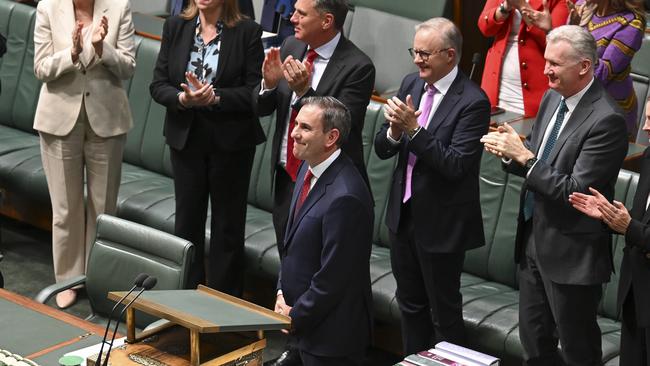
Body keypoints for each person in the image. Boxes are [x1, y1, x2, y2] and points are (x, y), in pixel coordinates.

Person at [481, 25, 628, 365]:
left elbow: (575, 190)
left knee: (578, 351)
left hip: (572, 254)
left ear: (584, 67)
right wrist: (509, 152)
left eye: (554, 64)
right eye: (546, 61)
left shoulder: (607, 121)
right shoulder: (552, 98)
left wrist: (525, 158)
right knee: (534, 345)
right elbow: (535, 152)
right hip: (533, 238)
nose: (545, 70)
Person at [256, 2, 374, 363]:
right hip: (292, 178)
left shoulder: (358, 66)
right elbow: (269, 109)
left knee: (325, 267)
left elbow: (341, 127)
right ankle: (296, 346)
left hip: (331, 186)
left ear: (326, 20)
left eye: (301, 12)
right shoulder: (290, 47)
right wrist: (268, 84)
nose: (291, 18)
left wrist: (305, 92)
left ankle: (303, 336)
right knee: (294, 258)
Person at [374, 17, 491, 354]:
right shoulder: (412, 83)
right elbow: (384, 148)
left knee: (444, 314)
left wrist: (413, 129)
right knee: (409, 306)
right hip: (403, 216)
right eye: (415, 51)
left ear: (450, 55)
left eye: (425, 54)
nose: (416, 60)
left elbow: (455, 165)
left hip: (442, 225)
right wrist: (395, 132)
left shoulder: (473, 102)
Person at [150, 0, 264, 294]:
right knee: (186, 225)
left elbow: (255, 93)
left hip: (232, 145)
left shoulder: (247, 32)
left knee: (227, 228)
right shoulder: (176, 26)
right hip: (186, 140)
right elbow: (158, 84)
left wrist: (215, 98)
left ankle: (222, 311)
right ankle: (185, 303)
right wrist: (183, 99)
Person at [33, 0, 136, 309]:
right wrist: (73, 53)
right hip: (58, 119)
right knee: (65, 209)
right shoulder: (48, 7)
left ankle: (99, 277)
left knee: (104, 209)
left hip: (107, 119)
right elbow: (41, 68)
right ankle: (67, 279)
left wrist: (104, 49)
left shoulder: (119, 7)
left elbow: (129, 67)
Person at [274, 96, 373, 366]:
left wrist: (296, 315)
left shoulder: (346, 196)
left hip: (330, 338)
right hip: (302, 326)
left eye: (305, 128)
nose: (294, 133)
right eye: (296, 124)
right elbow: (291, 244)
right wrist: (282, 293)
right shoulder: (308, 167)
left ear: (331, 137)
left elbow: (334, 277)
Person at [569, 96, 650, 366]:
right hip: (635, 292)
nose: (645, 128)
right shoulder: (649, 157)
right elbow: (637, 222)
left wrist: (629, 227)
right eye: (646, 118)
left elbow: (635, 228)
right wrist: (608, 216)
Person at [523, 0, 645, 138]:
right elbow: (564, 54)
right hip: (572, 100)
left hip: (608, 111)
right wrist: (553, 30)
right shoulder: (581, 6)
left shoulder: (631, 23)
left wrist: (576, 32)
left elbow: (600, 75)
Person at [478, 0, 568, 117]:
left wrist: (521, 5)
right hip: (497, 84)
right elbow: (485, 28)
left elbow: (559, 47)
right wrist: (505, 7)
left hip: (536, 89)